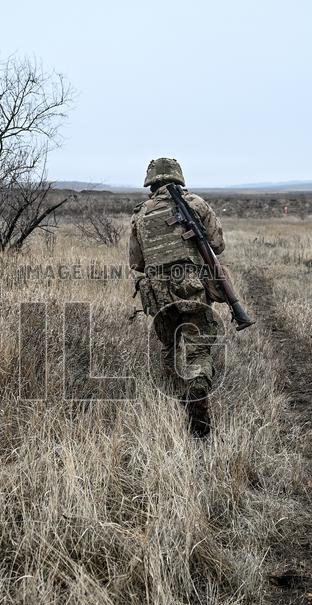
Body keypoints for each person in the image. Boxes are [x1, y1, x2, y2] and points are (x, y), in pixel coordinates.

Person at [129, 157, 225, 438]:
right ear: (178, 178)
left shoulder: (140, 214)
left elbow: (137, 262)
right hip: (191, 284)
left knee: (169, 346)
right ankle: (196, 390)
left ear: (151, 182)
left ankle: (175, 400)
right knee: (197, 347)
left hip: (157, 291)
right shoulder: (196, 204)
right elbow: (217, 245)